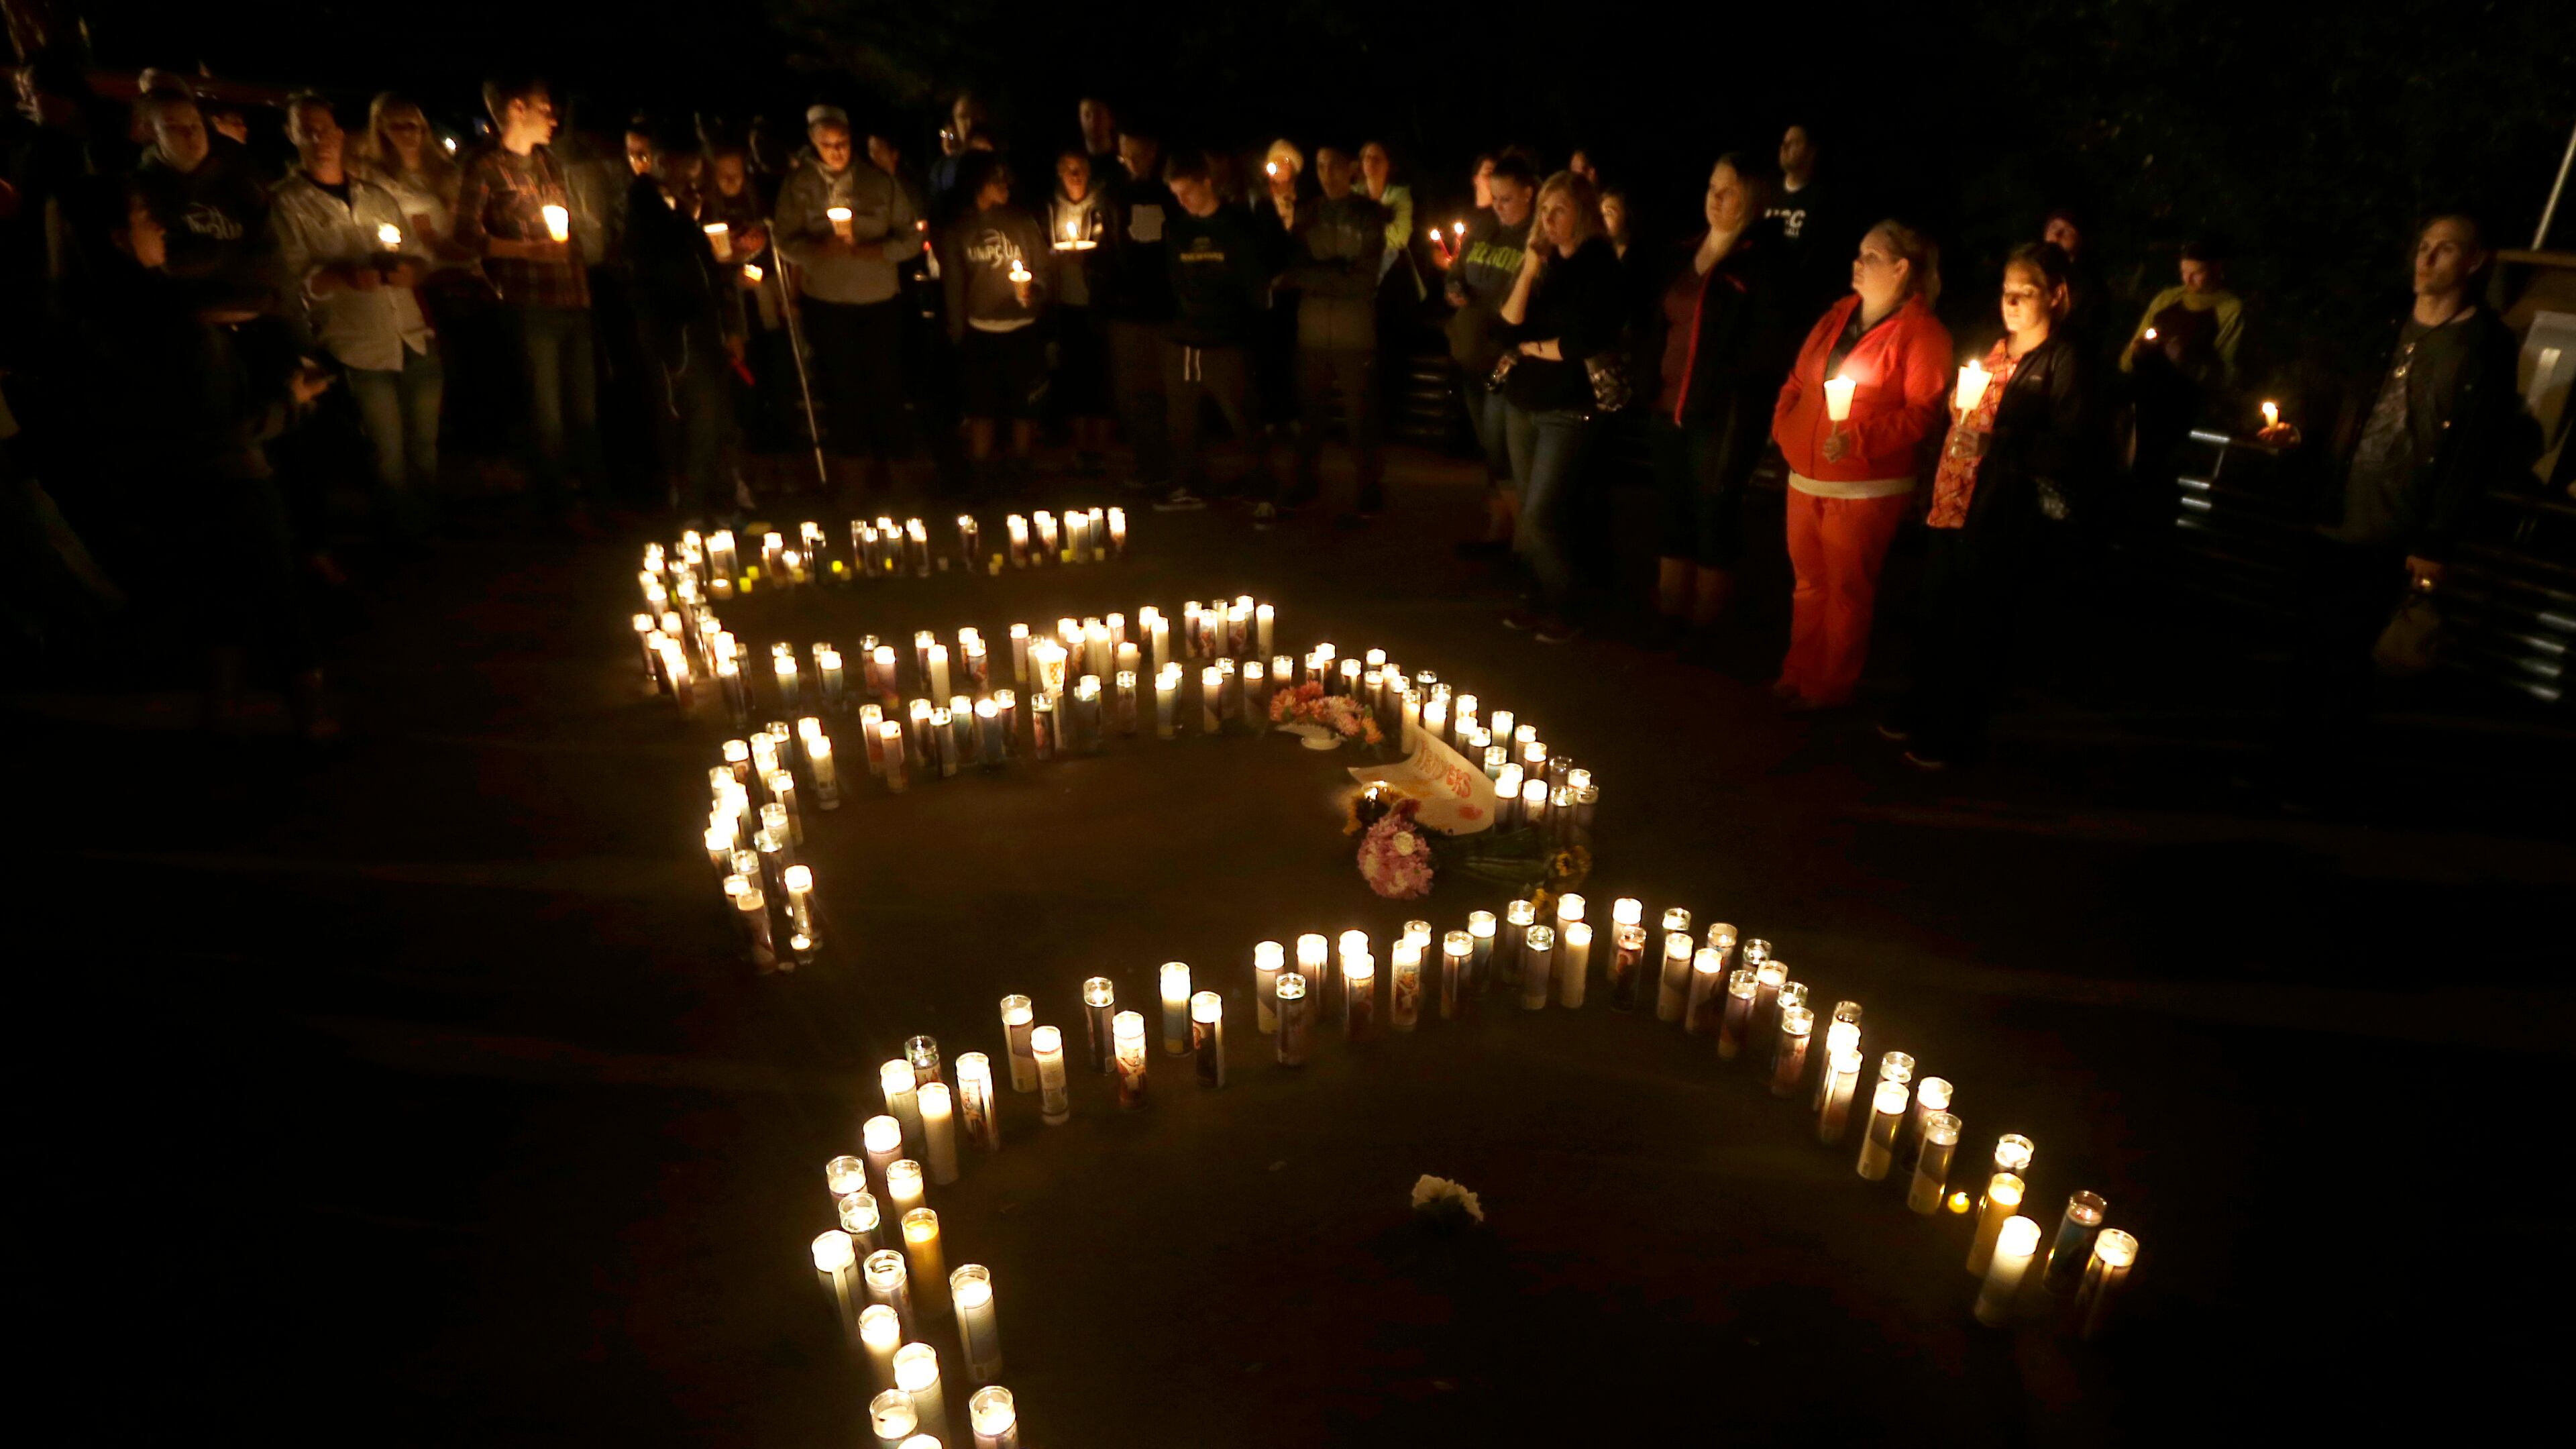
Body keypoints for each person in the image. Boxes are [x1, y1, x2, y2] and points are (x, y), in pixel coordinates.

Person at [2261, 215, 2525, 790]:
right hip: (2338, 509)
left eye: (2445, 249)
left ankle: (2320, 779)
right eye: (2424, 247)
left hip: (2397, 527)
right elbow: (2344, 402)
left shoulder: (2485, 345)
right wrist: (2300, 435)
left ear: (2476, 262)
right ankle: (2282, 766)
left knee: (2349, 659)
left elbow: (2474, 448)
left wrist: (2437, 538)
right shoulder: (2385, 327)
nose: (2426, 259)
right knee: (2308, 647)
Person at [86, 185, 337, 738]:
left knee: (214, 590)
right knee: (276, 590)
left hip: (166, 476)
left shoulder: (121, 305)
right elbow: (226, 425)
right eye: (148, 218)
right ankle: (310, 712)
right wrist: (291, 403)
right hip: (227, 473)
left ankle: (219, 711)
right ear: (120, 237)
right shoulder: (168, 315)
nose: (164, 228)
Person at [1884, 242, 2095, 767]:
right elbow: (1964, 411)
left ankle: (1954, 730)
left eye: (2027, 292)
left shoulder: (2065, 360)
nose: (2013, 302)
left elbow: (2071, 444)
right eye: (2007, 292)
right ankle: (1919, 705)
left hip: (2003, 508)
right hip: (1954, 495)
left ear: (2057, 295)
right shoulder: (1995, 348)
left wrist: (1999, 444)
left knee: (1974, 619)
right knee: (1934, 606)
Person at [1769, 219, 1953, 709]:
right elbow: (1797, 379)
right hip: (1806, 476)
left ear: (1900, 269)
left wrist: (1859, 440)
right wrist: (1784, 429)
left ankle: (1829, 686)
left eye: (1870, 256)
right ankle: (1799, 670)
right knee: (1809, 583)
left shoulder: (1923, 335)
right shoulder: (1838, 316)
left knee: (1847, 590)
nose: (1857, 263)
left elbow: (1921, 414)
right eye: (1858, 253)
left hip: (1866, 488)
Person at [270, 92, 442, 545]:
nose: (319, 139)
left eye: (325, 129)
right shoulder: (287, 204)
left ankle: (431, 527)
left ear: (340, 135)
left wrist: (412, 270)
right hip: (358, 344)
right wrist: (342, 274)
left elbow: (419, 255)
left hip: (412, 333)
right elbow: (293, 278)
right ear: (290, 136)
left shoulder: (376, 195)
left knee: (425, 447)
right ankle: (404, 538)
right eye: (306, 130)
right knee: (387, 453)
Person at [1646, 154, 1793, 648]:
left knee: (1712, 512)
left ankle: (1707, 622)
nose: (1715, 198)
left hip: (1724, 414)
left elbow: (1765, 342)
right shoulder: (1687, 250)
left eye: (1728, 190)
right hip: (1668, 402)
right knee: (1672, 508)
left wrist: (1727, 389)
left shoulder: (1762, 262)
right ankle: (1669, 610)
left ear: (1752, 198)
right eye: (1712, 186)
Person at [453, 74, 601, 528]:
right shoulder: (485, 167)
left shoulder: (548, 162)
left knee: (585, 407)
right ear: (516, 109)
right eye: (544, 106)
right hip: (530, 302)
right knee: (547, 413)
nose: (553, 116)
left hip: (572, 296)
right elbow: (465, 235)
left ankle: (596, 498)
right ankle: (557, 506)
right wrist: (525, 250)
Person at [1492, 170, 1625, 643]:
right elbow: (1509, 326)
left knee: (1543, 513)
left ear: (1583, 213)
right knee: (1530, 510)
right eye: (1544, 210)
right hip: (1524, 400)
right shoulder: (1545, 264)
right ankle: (1542, 598)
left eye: (1559, 210)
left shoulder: (1597, 262)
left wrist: (1537, 348)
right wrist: (1529, 270)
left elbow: (1583, 340)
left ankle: (1571, 607)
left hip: (1567, 405)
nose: (1548, 219)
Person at [774, 104, 923, 494]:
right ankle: (853, 481)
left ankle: (899, 477)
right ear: (813, 143)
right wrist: (817, 248)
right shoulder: (798, 186)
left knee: (887, 387)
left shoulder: (880, 183)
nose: (837, 152)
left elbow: (911, 237)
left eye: (842, 143)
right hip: (827, 303)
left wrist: (881, 251)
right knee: (842, 391)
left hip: (878, 302)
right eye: (828, 145)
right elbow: (784, 242)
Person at [623, 133, 745, 520]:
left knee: (717, 416)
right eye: (685, 173)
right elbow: (660, 258)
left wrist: (729, 325)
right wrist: (684, 218)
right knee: (696, 417)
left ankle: (723, 500)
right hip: (677, 333)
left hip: (703, 327)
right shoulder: (644, 203)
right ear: (663, 163)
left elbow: (703, 265)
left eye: (696, 175)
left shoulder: (681, 210)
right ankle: (693, 505)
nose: (692, 183)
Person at [1158, 148, 1277, 517]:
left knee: (1242, 414)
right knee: (1182, 419)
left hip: (1226, 340)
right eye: (1175, 195)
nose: (1182, 201)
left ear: (1206, 182)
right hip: (1184, 339)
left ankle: (1263, 487)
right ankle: (1189, 484)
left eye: (1187, 192)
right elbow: (1173, 280)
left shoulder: (1236, 226)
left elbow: (1254, 283)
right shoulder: (1177, 229)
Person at [1284, 144, 1387, 523]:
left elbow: (1363, 280)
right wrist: (1336, 271)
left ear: (1350, 170)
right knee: (1310, 411)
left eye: (1334, 166)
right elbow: (1294, 269)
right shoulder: (1309, 213)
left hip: (1354, 331)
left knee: (1361, 414)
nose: (1327, 174)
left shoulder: (1368, 216)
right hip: (1312, 330)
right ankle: (1306, 479)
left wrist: (1318, 275)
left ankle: (1368, 485)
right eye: (1321, 166)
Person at [1446, 153, 1536, 558]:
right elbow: (1458, 270)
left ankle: (1524, 538)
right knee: (1489, 447)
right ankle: (1500, 526)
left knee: (1504, 446)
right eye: (1494, 198)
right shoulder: (1484, 228)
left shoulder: (1535, 238)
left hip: (1508, 360)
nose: (1498, 207)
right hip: (1472, 355)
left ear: (1529, 194)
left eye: (1507, 199)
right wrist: (1454, 286)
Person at [943, 152, 1050, 489]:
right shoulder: (960, 228)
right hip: (981, 331)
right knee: (981, 408)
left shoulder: (1022, 222)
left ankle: (1022, 469)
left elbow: (1044, 270)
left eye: (1007, 179)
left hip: (1021, 329)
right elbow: (955, 284)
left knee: (1024, 406)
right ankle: (980, 474)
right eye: (997, 179)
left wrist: (1035, 293)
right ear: (978, 183)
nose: (1006, 186)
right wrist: (958, 330)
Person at [132, 89, 274, 309]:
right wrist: (237, 251)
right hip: (192, 315)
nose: (190, 134)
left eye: (195, 124)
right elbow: (172, 261)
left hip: (260, 308)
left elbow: (269, 250)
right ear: (152, 132)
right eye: (174, 127)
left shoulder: (240, 182)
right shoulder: (145, 190)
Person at [2121, 239, 2245, 486]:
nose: (2187, 281)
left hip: (2181, 405)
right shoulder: (2168, 299)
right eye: (2183, 272)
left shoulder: (2229, 308)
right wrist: (2138, 353)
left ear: (2217, 268)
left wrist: (2184, 360)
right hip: (2141, 395)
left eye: (2196, 274)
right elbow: (2127, 359)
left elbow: (2225, 376)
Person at [1105, 123, 1177, 496]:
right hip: (1127, 312)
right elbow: (1110, 251)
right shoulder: (1115, 196)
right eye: (1125, 154)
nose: (1131, 161)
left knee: (1166, 394)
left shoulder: (1169, 197)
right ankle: (1147, 465)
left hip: (1163, 312)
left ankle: (1172, 468)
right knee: (1134, 396)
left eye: (1138, 153)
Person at [1049, 148, 1116, 476]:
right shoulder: (1051, 209)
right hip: (1067, 303)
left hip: (1098, 302)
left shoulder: (1102, 207)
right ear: (1060, 174)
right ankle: (1079, 448)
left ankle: (1101, 451)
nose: (1075, 175)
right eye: (1068, 169)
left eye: (1080, 169)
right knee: (1074, 377)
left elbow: (1110, 248)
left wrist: (1092, 261)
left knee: (1100, 377)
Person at [1766, 121, 1851, 319]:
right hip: (1761, 299)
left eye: (1794, 143)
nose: (1784, 147)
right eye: (1784, 142)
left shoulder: (1824, 201)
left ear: (1811, 152)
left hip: (1797, 307)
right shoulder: (1767, 192)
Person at [2041, 207, 2108, 345]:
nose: (2058, 234)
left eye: (2067, 230)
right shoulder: (2030, 270)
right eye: (2054, 227)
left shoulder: (2089, 285)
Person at [1077, 96, 1118, 172]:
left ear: (1111, 119)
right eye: (1087, 115)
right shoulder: (1075, 163)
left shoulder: (1124, 163)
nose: (1093, 121)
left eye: (1099, 114)